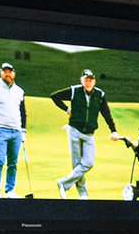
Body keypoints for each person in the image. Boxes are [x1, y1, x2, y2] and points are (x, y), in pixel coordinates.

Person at [49, 68, 118, 198]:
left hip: (89, 134)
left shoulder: (100, 95)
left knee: (88, 163)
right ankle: (83, 194)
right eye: (86, 80)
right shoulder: (74, 91)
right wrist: (67, 109)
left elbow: (106, 113)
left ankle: (63, 183)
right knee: (76, 164)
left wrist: (113, 130)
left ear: (94, 82)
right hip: (74, 131)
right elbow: (54, 96)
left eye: (90, 80)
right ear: (81, 81)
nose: (88, 83)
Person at [0, 62, 27, 197]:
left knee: (13, 163)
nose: (7, 74)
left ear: (13, 73)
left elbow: (22, 112)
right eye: (5, 71)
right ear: (1, 72)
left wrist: (23, 130)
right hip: (0, 129)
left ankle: (9, 191)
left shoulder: (19, 91)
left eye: (10, 72)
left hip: (16, 131)